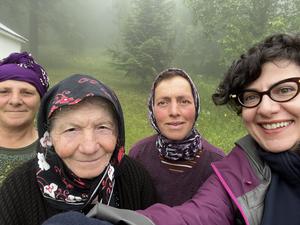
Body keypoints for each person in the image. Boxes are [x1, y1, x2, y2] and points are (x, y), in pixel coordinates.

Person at [50, 33, 300, 225]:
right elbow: (196, 215)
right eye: (252, 96)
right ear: (151, 110)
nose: (267, 108)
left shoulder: (216, 161)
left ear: (196, 107)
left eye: (286, 89)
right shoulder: (235, 172)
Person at [0, 74, 156, 225]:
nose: (89, 147)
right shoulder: (17, 190)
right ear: (49, 138)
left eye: (102, 127)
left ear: (117, 132)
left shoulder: (135, 178)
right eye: (71, 130)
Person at [129, 68, 224, 206]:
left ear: (196, 106)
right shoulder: (138, 156)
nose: (174, 112)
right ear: (152, 109)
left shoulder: (218, 164)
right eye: (163, 102)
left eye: (184, 101)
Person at [0, 52, 49, 184]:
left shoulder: (54, 151)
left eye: (27, 93)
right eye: (4, 92)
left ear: (41, 100)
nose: (15, 101)